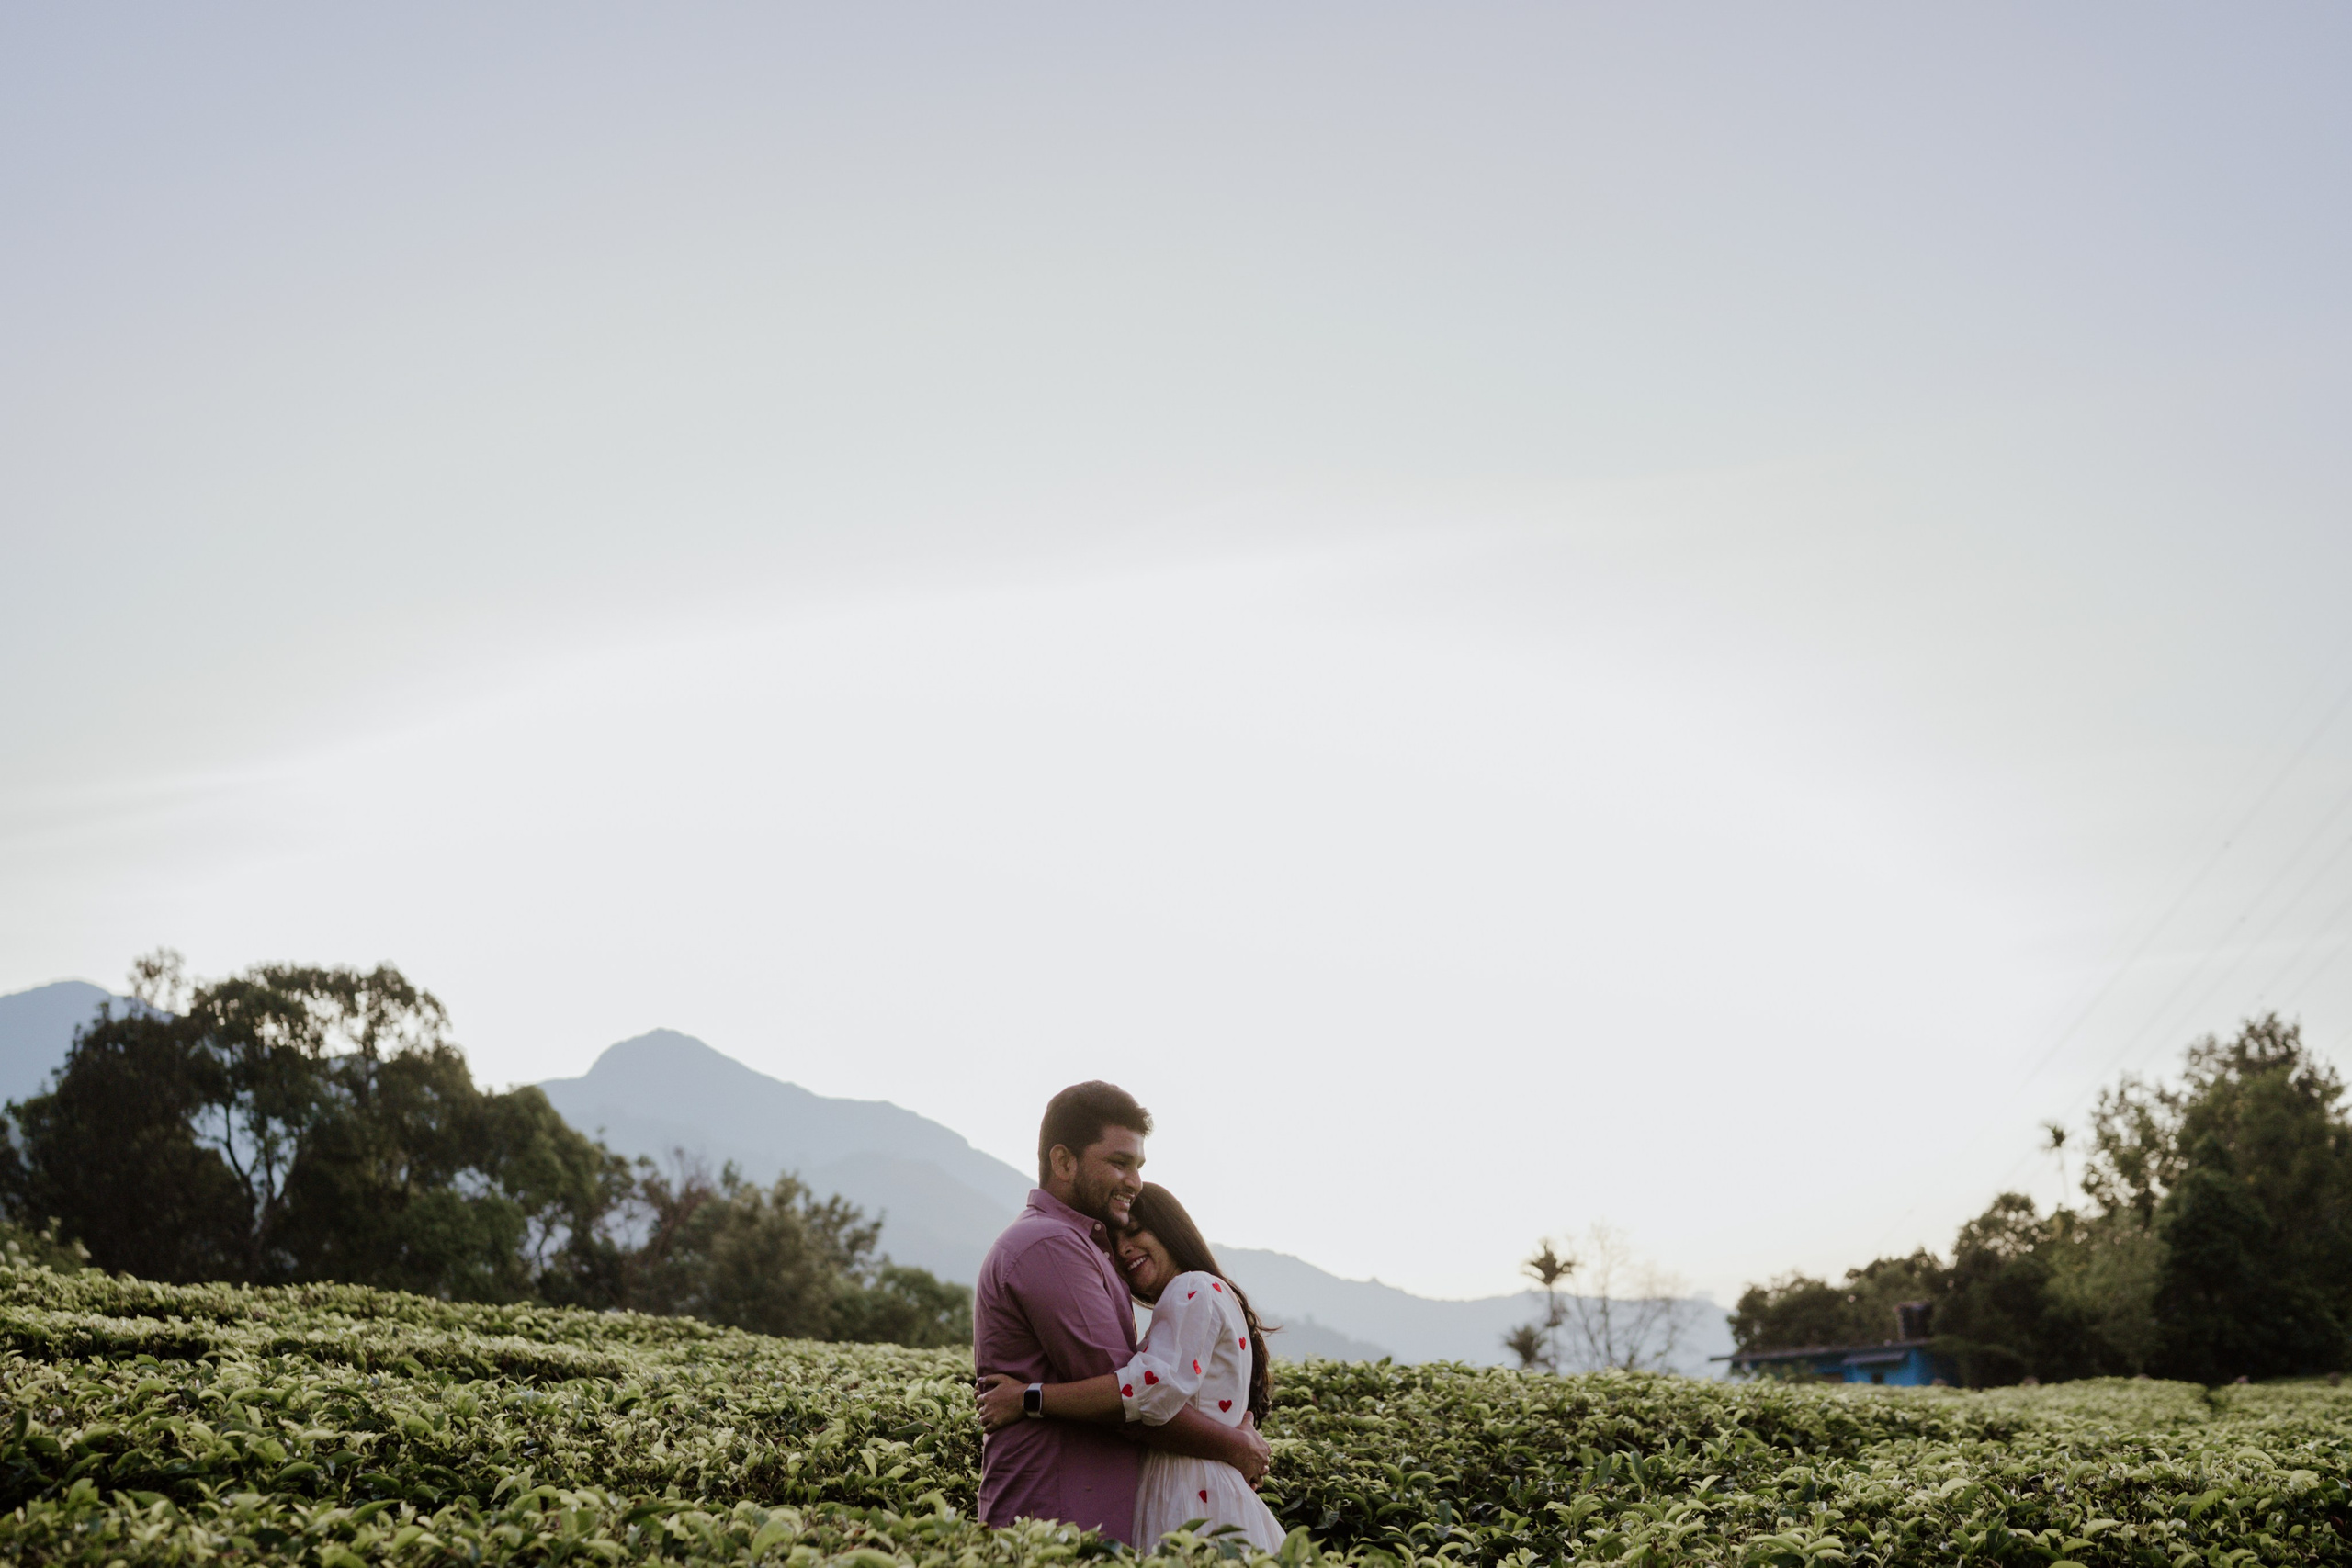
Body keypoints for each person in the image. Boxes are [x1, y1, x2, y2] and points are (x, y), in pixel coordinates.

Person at [972, 1083, 1271, 1545]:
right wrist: (1237, 1445)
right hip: (1055, 1518)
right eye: (1119, 1162)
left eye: (1138, 1165)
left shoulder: (1083, 1248)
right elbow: (1131, 1403)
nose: (1134, 1181)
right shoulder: (1052, 1246)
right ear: (1064, 1162)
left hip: (1078, 1517)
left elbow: (1139, 1393)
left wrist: (1027, 1398)